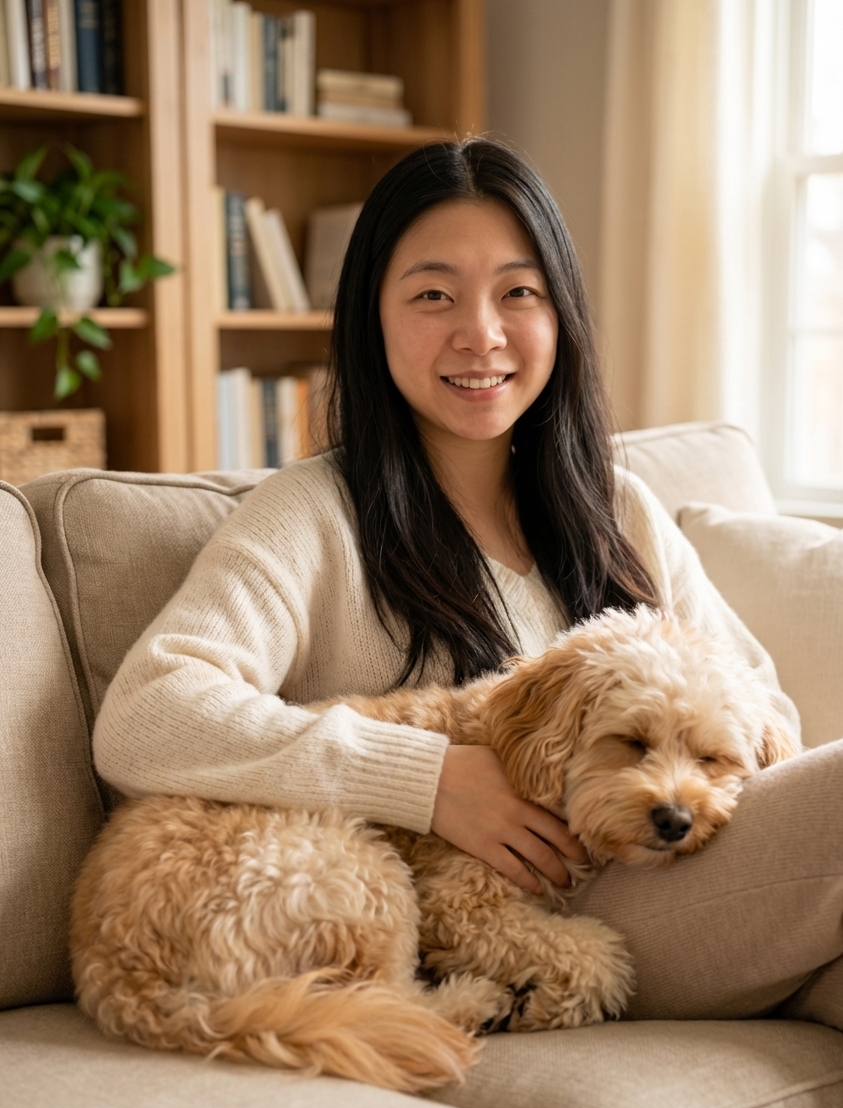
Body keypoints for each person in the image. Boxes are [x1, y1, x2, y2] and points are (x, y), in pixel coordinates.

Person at [93, 138, 843, 1032]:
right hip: (528, 911)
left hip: (660, 870)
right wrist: (427, 778)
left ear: (559, 314)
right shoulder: (308, 514)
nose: (480, 334)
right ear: (371, 316)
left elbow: (763, 712)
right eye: (432, 295)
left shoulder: (615, 505)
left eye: (517, 293)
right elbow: (147, 714)